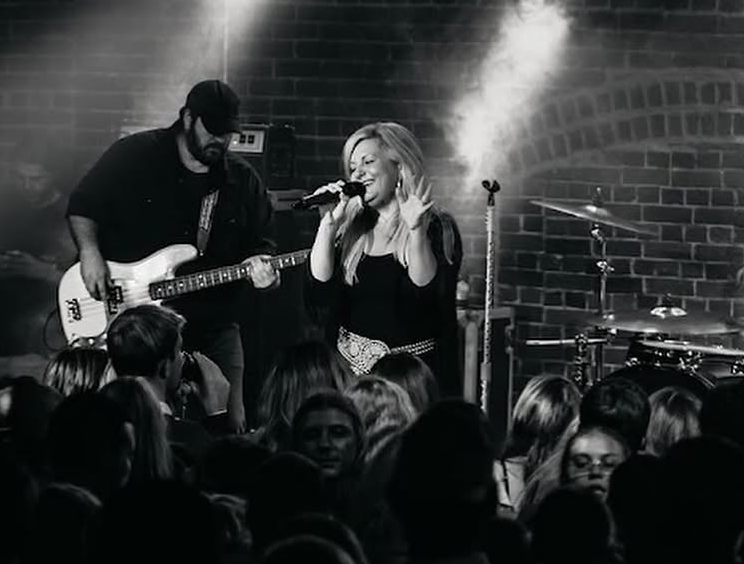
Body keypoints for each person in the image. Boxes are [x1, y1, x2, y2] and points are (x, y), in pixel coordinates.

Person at [66, 79, 278, 433]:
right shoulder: (134, 155)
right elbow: (82, 206)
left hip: (212, 325)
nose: (221, 140)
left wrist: (262, 271)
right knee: (121, 423)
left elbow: (263, 245)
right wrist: (90, 253)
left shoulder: (242, 180)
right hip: (134, 329)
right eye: (212, 130)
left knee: (230, 425)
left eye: (227, 133)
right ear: (188, 118)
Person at [303, 122, 463, 393]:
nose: (358, 173)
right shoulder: (350, 227)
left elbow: (424, 296)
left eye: (368, 162)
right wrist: (327, 226)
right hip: (348, 381)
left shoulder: (438, 227)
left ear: (399, 167)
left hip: (408, 384)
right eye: (353, 167)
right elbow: (318, 296)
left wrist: (416, 231)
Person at [0, 137, 78, 381]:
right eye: (19, 177)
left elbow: (85, 285)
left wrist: (42, 271)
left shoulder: (71, 217)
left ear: (54, 175)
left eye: (37, 179)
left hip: (41, 344)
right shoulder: (1, 211)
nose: (27, 186)